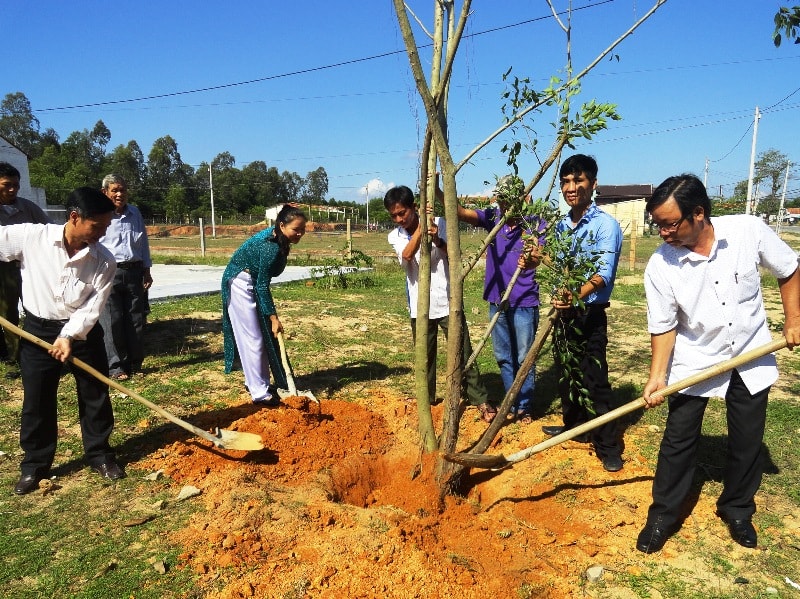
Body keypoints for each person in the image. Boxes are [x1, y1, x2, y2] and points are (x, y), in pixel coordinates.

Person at [636, 174, 800, 553]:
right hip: (696, 357)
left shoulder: (747, 231)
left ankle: (738, 509)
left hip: (750, 351)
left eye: (669, 223)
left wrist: (793, 320)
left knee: (747, 440)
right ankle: (662, 516)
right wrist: (657, 377)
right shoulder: (661, 266)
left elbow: (789, 269)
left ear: (698, 213)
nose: (662, 232)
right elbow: (663, 327)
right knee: (678, 439)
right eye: (657, 224)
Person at [0, 187, 124, 495]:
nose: (103, 233)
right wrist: (55, 336)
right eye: (98, 226)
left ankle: (99, 455)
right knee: (37, 401)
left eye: (107, 227)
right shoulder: (33, 237)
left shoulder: (104, 261)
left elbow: (92, 307)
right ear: (74, 218)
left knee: (95, 396)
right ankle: (35, 465)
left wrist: (68, 336)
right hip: (37, 332)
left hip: (82, 334)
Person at [384, 185, 493, 420]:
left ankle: (479, 399)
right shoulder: (395, 235)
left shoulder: (442, 223)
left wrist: (437, 238)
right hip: (419, 306)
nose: (399, 219)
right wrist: (422, 228)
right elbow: (407, 256)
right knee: (425, 358)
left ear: (414, 207)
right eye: (393, 215)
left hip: (447, 301)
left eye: (402, 213)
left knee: (463, 353)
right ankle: (428, 399)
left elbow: (453, 255)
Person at [544, 154, 624, 472]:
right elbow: (560, 265)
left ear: (593, 184)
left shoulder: (606, 225)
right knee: (567, 374)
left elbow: (602, 274)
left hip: (589, 314)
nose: (571, 187)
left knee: (594, 379)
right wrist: (539, 258)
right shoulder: (564, 225)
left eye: (578, 180)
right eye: (565, 181)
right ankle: (575, 427)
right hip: (566, 312)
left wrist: (573, 296)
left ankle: (608, 445)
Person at [455, 176, 543, 422]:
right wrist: (441, 191)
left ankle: (524, 406)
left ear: (522, 199)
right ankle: (511, 402)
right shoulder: (493, 219)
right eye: (502, 200)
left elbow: (538, 256)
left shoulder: (534, 223)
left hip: (524, 301)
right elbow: (461, 213)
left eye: (510, 200)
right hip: (497, 301)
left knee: (524, 356)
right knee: (504, 355)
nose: (506, 206)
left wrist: (530, 259)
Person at [222, 204, 307, 405]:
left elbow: (261, 283)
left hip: (251, 281)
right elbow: (262, 286)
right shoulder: (270, 247)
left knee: (259, 337)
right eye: (296, 229)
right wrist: (273, 318)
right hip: (240, 282)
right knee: (252, 338)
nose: (300, 233)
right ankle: (259, 393)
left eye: (303, 229)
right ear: (282, 226)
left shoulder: (278, 238)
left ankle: (259, 383)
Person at [97, 174, 153, 380]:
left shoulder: (134, 213)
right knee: (112, 320)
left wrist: (147, 269)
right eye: (115, 190)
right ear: (105, 192)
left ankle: (135, 363)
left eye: (123, 190)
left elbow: (143, 243)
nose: (120, 194)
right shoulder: (99, 212)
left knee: (135, 318)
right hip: (108, 272)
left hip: (134, 271)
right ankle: (115, 367)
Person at [0, 162, 51, 375]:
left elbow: (49, 230)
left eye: (16, 185)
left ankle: (37, 353)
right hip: (3, 271)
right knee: (7, 313)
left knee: (35, 310)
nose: (12, 189)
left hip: (29, 267)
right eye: (6, 185)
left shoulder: (28, 207)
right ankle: (13, 358)